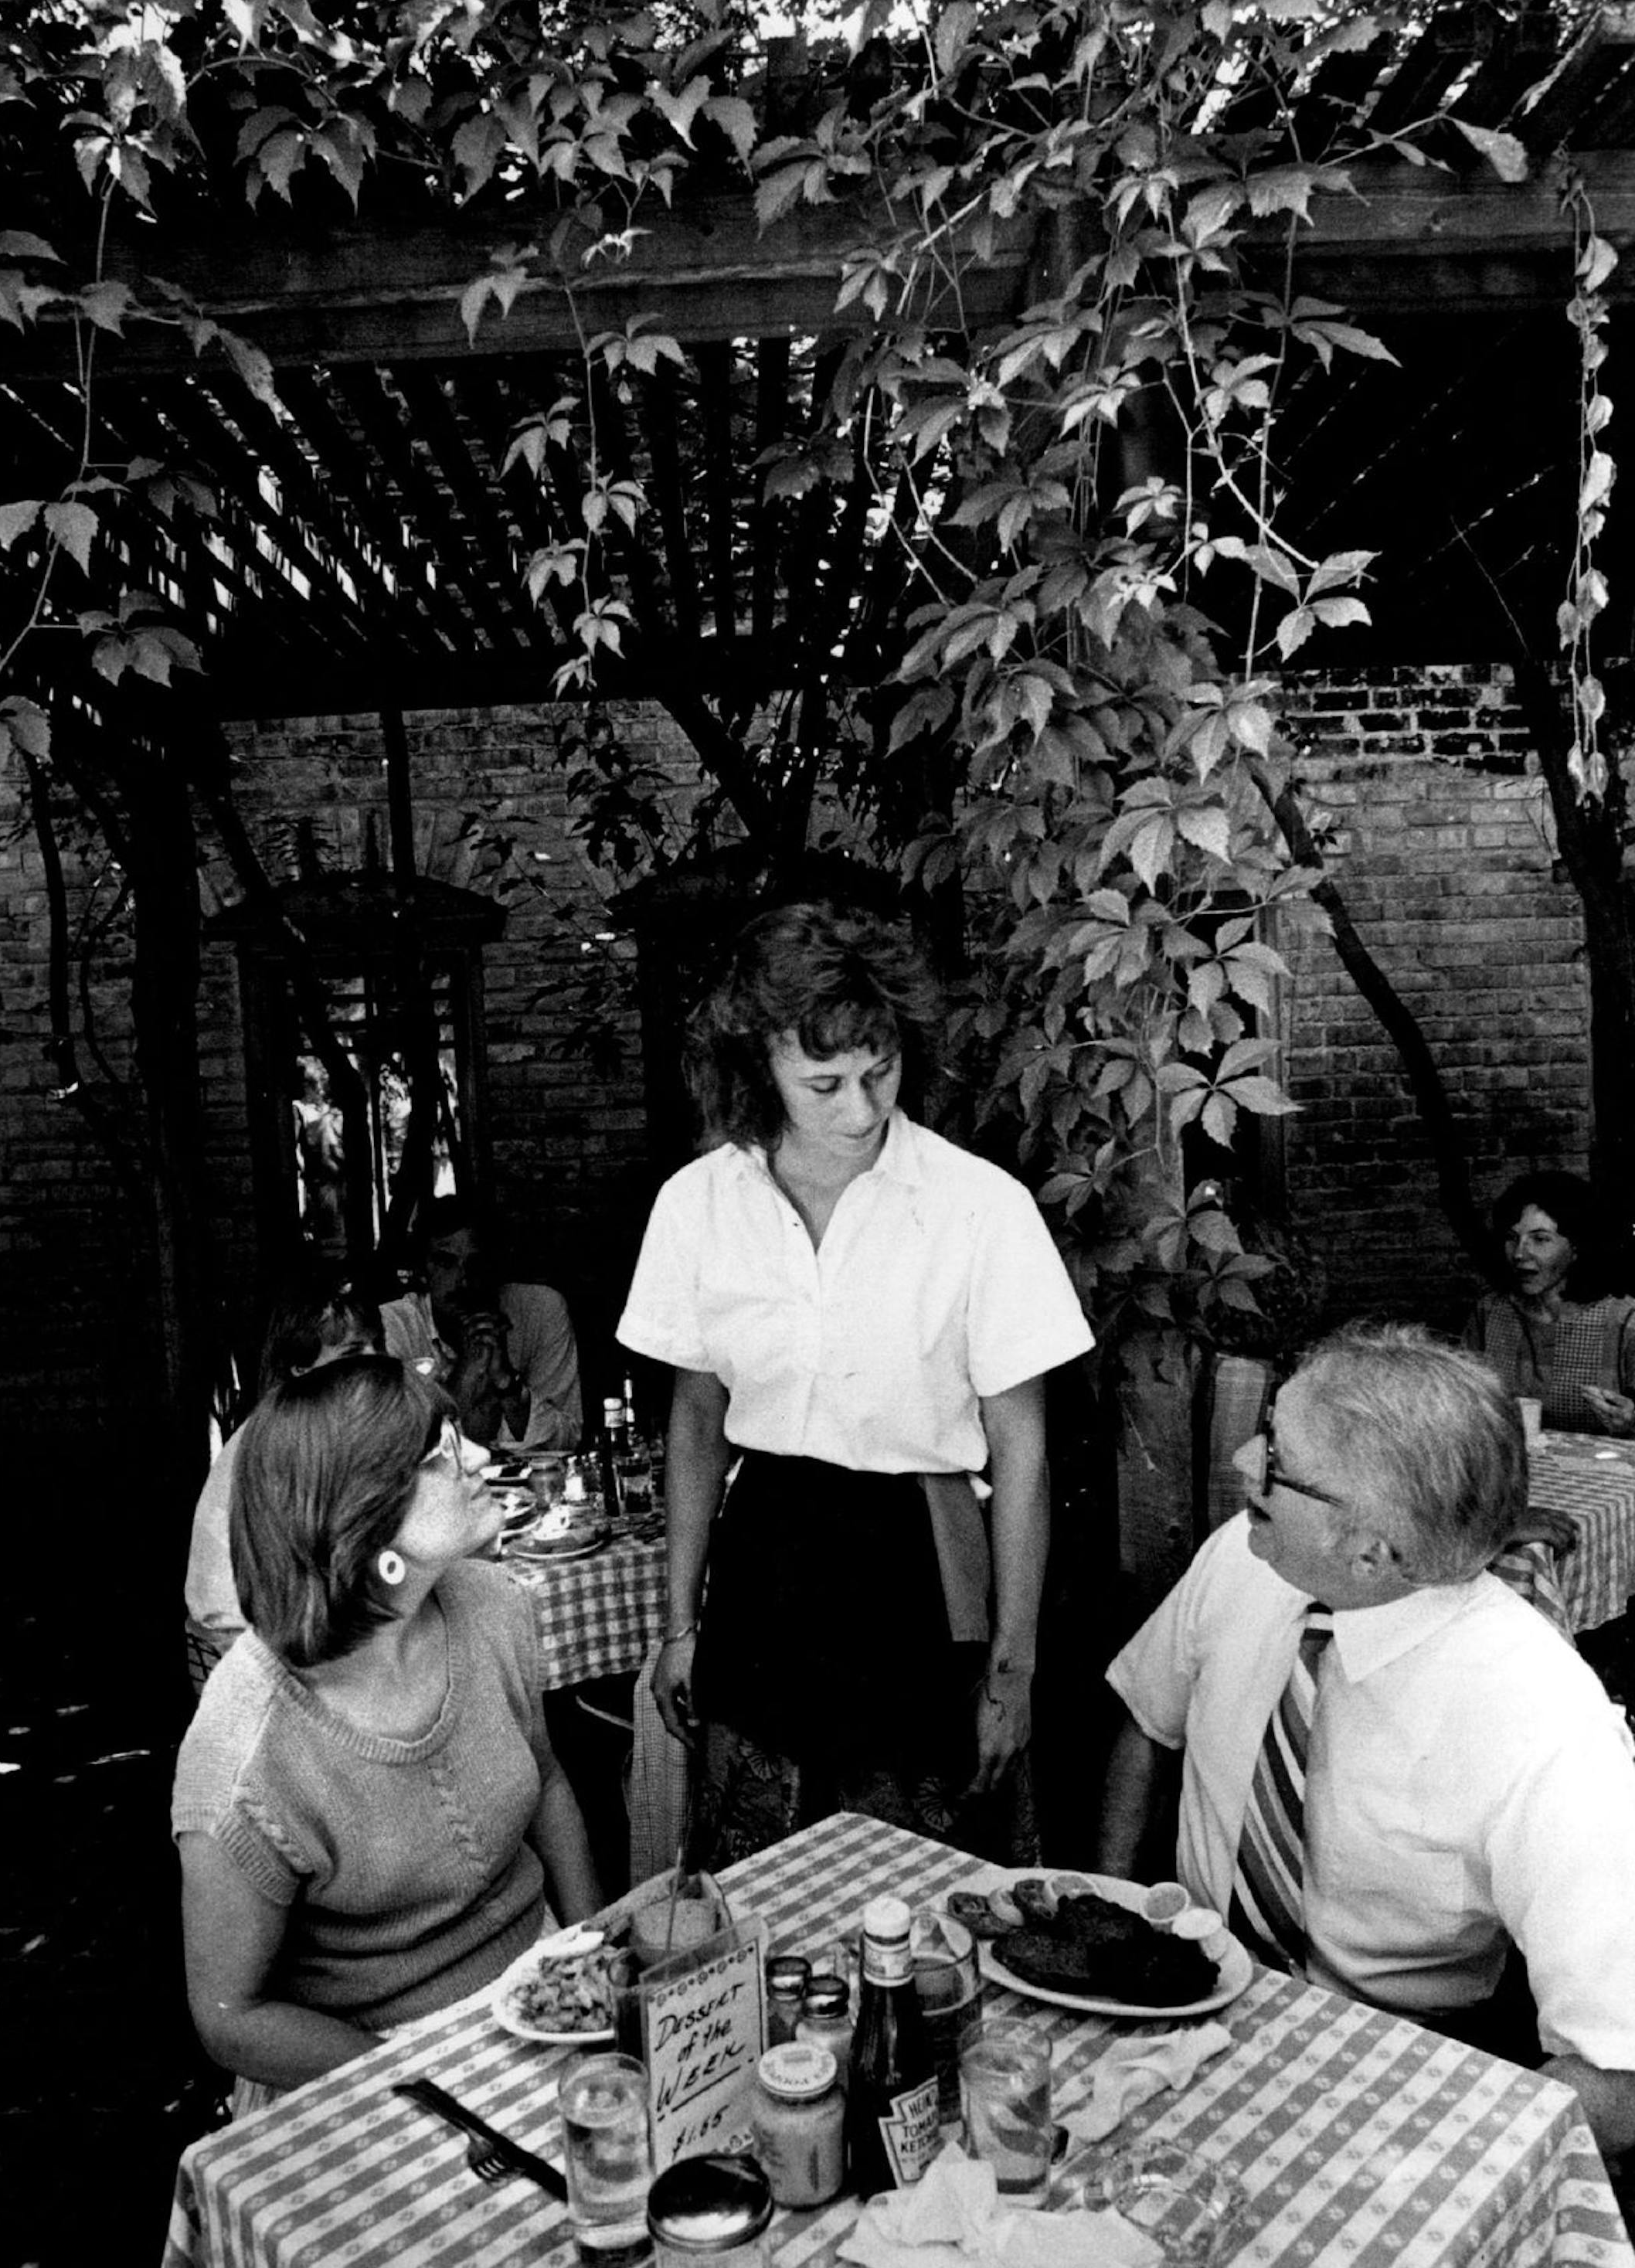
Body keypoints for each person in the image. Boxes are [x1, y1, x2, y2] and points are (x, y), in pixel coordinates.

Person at [617, 897, 1094, 1867]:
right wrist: (679, 1625)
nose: (862, 1108)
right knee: (758, 1878)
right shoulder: (698, 1204)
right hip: (767, 1563)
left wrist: (1015, 1669)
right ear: (761, 1064)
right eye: (823, 1081)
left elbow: (1025, 1453)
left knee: (924, 1886)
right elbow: (698, 1418)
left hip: (923, 1560)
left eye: (880, 1072)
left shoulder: (978, 1209)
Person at [1096, 1323, 1635, 2165]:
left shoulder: (1547, 1724)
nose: (1242, 1461)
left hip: (1392, 2069)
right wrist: (1110, 1907)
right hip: (1171, 1990)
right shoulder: (1246, 1557)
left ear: (1373, 1552)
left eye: (1274, 1458)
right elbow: (1146, 1718)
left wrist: (1405, 2157)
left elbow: (1618, 2070)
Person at [173, 1356, 602, 2108]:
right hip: (364, 2062)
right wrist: (423, 2080)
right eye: (441, 1453)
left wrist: (595, 1955)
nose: (478, 1454)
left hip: (540, 1989)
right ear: (368, 1535)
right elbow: (231, 2018)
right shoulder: (244, 1755)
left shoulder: (494, 1604)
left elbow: (550, 1784)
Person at [183, 1269, 384, 1666]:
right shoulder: (287, 1442)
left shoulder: (319, 1426)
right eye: (352, 1354)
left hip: (278, 1623)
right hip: (244, 1647)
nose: (377, 1361)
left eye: (377, 1345)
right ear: (301, 1370)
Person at [384, 1199, 583, 1453]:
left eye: (475, 1264)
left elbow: (569, 1439)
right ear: (423, 1271)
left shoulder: (540, 1310)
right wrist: (468, 1370)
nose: (463, 1280)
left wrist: (508, 1385)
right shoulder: (393, 1327)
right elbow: (395, 1453)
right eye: (446, 1263)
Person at [1464, 1169, 1635, 1435]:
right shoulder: (1490, 1312)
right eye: (1512, 1238)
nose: (1520, 1253)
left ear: (1577, 1247)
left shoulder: (1625, 1321)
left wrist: (1631, 1421)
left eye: (1540, 1239)